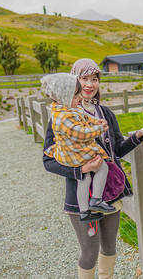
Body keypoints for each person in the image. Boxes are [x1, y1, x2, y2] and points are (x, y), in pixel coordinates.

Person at [43, 58, 143, 279]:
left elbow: (117, 148)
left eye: (94, 79)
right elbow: (48, 161)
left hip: (109, 192)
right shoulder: (60, 116)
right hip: (80, 194)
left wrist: (138, 135)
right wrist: (81, 170)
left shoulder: (105, 113)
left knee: (109, 247)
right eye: (84, 78)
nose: (89, 84)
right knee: (89, 252)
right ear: (74, 82)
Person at [41, 73, 117, 224]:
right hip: (74, 154)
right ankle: (96, 200)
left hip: (73, 152)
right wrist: (99, 130)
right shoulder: (64, 117)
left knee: (85, 178)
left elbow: (84, 117)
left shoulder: (67, 109)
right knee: (102, 168)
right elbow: (81, 134)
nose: (80, 99)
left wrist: (97, 121)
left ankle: (84, 212)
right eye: (76, 97)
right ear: (66, 97)